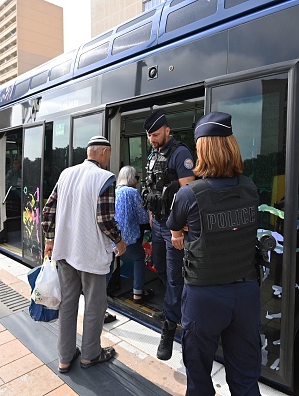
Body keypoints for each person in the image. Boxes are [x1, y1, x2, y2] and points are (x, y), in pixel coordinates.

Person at [167, 112, 261, 396]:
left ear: (202, 150)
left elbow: (174, 228)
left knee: (198, 379)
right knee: (245, 379)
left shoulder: (189, 194)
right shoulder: (250, 188)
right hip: (246, 293)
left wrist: (182, 233)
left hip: (204, 296)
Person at [42, 135, 126, 373]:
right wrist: (119, 242)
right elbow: (105, 220)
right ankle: (90, 354)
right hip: (91, 255)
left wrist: (50, 239)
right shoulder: (105, 178)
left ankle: (65, 357)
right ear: (103, 153)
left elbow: (49, 209)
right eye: (108, 155)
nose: (109, 159)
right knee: (94, 305)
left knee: (68, 303)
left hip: (65, 251)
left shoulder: (66, 174)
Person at [141, 109, 195, 360]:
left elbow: (188, 193)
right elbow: (151, 186)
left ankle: (169, 329)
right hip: (158, 224)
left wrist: (180, 228)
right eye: (149, 135)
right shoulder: (154, 154)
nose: (152, 139)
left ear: (166, 130)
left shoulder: (180, 153)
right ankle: (173, 307)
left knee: (174, 278)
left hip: (174, 227)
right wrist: (152, 215)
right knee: (159, 267)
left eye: (155, 134)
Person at [115, 166, 153, 303]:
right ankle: (138, 293)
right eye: (136, 177)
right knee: (139, 257)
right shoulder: (132, 192)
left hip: (114, 237)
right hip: (128, 237)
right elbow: (143, 218)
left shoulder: (116, 191)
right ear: (131, 178)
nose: (137, 181)